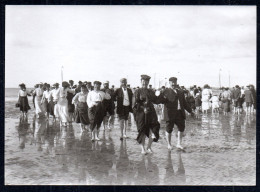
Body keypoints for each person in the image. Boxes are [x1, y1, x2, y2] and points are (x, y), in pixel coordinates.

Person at [133, 75, 163, 154]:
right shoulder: (137, 91)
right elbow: (134, 104)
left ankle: (149, 147)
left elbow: (156, 100)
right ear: (141, 81)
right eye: (143, 81)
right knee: (142, 131)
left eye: (146, 82)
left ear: (148, 82)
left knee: (153, 129)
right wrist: (142, 109)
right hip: (141, 113)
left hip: (151, 112)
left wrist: (160, 95)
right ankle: (142, 148)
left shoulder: (151, 91)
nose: (145, 83)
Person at [161, 77, 194, 150]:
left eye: (175, 82)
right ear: (169, 83)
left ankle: (179, 144)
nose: (173, 84)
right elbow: (160, 100)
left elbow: (184, 104)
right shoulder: (165, 91)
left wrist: (191, 111)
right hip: (170, 113)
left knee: (181, 128)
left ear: (176, 83)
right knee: (169, 129)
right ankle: (169, 144)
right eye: (172, 82)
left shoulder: (180, 92)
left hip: (179, 112)